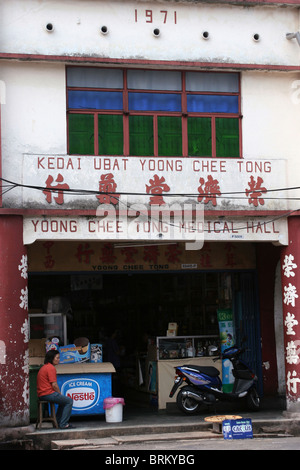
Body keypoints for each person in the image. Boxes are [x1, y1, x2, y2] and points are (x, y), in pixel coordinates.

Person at [37, 350, 74, 429]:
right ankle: (63, 424)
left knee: (63, 402)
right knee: (69, 401)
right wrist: (59, 393)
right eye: (57, 358)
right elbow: (54, 384)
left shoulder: (45, 367)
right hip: (47, 394)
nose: (58, 360)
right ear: (51, 358)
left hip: (42, 394)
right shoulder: (51, 368)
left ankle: (57, 422)